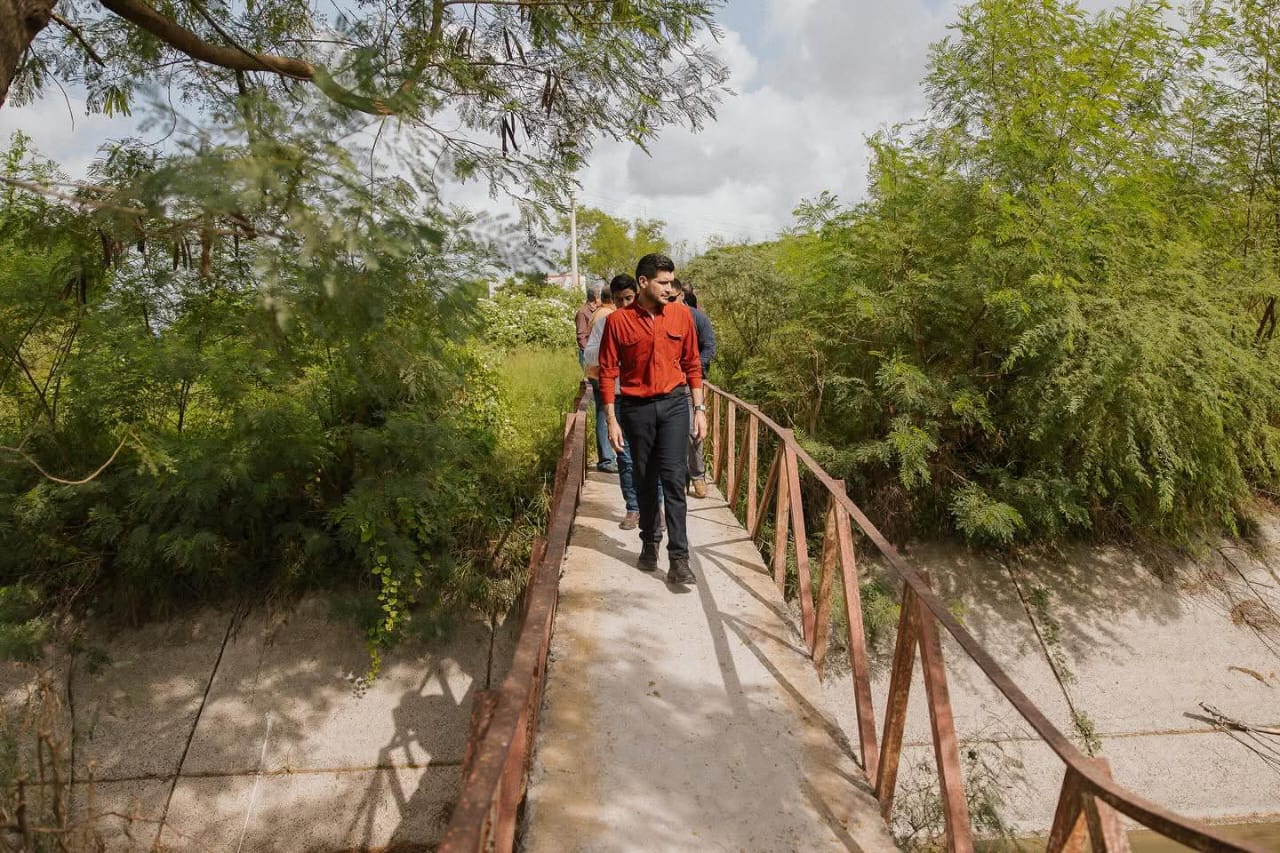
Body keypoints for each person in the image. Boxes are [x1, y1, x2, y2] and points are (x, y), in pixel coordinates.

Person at [599, 254, 707, 585]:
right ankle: (649, 541)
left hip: (674, 405)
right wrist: (611, 420)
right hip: (636, 408)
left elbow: (692, 364)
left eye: (672, 282)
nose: (669, 288)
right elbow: (607, 371)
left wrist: (700, 410)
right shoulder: (618, 322)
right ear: (643, 282)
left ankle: (679, 559)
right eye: (663, 282)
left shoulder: (681, 315)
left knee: (674, 478)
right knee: (645, 480)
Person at [673, 279, 716, 497]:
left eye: (673, 297)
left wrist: (694, 366)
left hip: (692, 384)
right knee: (674, 434)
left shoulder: (698, 318)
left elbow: (710, 347)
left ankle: (698, 476)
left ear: (681, 295)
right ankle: (681, 479)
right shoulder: (660, 317)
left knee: (693, 431)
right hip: (670, 384)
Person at [574, 283, 602, 368]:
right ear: (595, 297)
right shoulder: (582, 313)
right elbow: (581, 336)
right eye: (601, 296)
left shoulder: (597, 310)